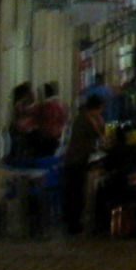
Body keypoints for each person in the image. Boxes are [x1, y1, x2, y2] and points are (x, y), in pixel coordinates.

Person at [59, 92, 107, 236]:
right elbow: (100, 134)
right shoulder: (86, 119)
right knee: (75, 193)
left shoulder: (82, 117)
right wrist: (100, 121)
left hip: (76, 160)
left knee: (75, 193)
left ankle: (74, 223)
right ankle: (73, 225)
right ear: (97, 108)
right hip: (77, 160)